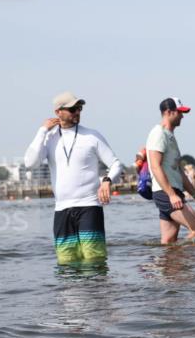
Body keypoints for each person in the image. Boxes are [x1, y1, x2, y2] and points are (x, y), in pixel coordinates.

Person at [24, 92, 123, 264]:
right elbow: (30, 163)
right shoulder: (48, 138)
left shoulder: (92, 136)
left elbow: (116, 164)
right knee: (66, 264)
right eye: (72, 109)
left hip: (89, 206)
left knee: (95, 261)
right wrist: (42, 130)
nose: (77, 112)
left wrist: (107, 181)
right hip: (62, 210)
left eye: (79, 108)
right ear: (58, 112)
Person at [145, 97, 195, 244]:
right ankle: (188, 260)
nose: (182, 116)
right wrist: (172, 195)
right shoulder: (158, 134)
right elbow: (155, 166)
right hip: (166, 193)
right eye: (179, 112)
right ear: (169, 112)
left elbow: (179, 171)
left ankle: (169, 260)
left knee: (168, 240)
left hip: (172, 192)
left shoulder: (170, 136)